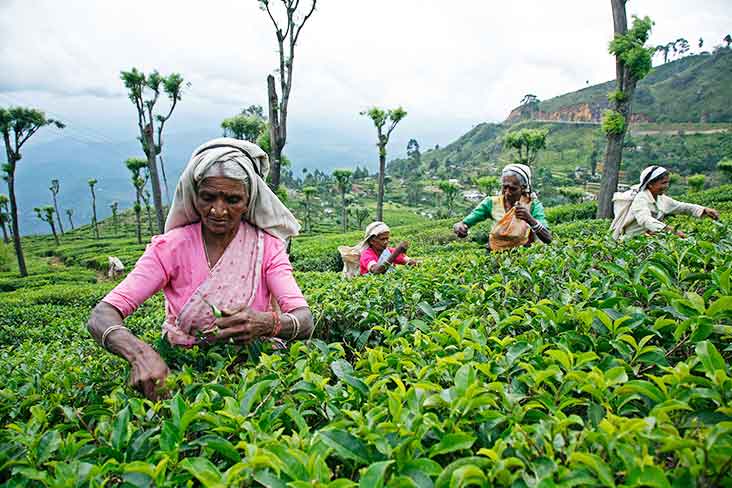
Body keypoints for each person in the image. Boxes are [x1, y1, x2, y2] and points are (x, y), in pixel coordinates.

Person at [87, 138, 314, 401]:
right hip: (181, 369)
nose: (218, 210)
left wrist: (267, 323)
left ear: (248, 200)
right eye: (208, 197)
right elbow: (102, 315)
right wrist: (140, 354)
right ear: (194, 196)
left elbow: (304, 319)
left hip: (253, 373)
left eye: (232, 199)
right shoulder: (171, 248)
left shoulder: (268, 247)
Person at [453, 163, 552, 248]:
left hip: (523, 258)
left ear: (523, 188)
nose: (507, 192)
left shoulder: (532, 205)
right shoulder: (491, 203)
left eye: (513, 188)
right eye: (505, 187)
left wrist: (530, 219)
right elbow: (465, 222)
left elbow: (548, 238)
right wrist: (460, 226)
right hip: (495, 255)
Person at [611, 165, 719, 240]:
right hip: (631, 243)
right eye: (663, 183)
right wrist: (669, 230)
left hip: (649, 240)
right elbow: (644, 219)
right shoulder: (641, 198)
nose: (666, 186)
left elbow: (682, 207)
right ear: (650, 184)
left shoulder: (661, 198)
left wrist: (704, 210)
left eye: (667, 182)